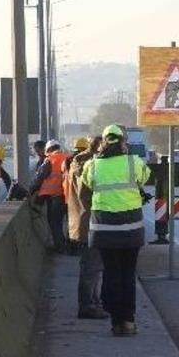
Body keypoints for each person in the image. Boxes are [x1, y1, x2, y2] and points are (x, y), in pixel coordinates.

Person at [82, 124, 151, 336]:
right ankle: (128, 321)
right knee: (128, 274)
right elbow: (145, 178)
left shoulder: (92, 165)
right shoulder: (134, 162)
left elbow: (88, 185)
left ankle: (115, 321)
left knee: (111, 273)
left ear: (103, 142)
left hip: (103, 228)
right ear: (123, 141)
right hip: (131, 228)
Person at [66, 136, 108, 319]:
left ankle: (94, 301)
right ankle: (87, 306)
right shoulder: (87, 166)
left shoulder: (79, 163)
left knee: (94, 266)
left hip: (83, 222)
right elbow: (88, 196)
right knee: (91, 267)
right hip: (89, 222)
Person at [31, 139, 67, 253]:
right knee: (60, 222)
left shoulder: (50, 160)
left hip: (54, 196)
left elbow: (39, 177)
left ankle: (60, 247)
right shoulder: (66, 158)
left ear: (49, 149)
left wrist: (30, 190)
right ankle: (63, 245)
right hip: (65, 196)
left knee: (54, 223)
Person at [148, 155, 170, 244]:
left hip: (160, 196)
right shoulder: (169, 169)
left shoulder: (159, 169)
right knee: (163, 215)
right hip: (164, 196)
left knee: (161, 215)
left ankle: (161, 235)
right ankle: (162, 235)